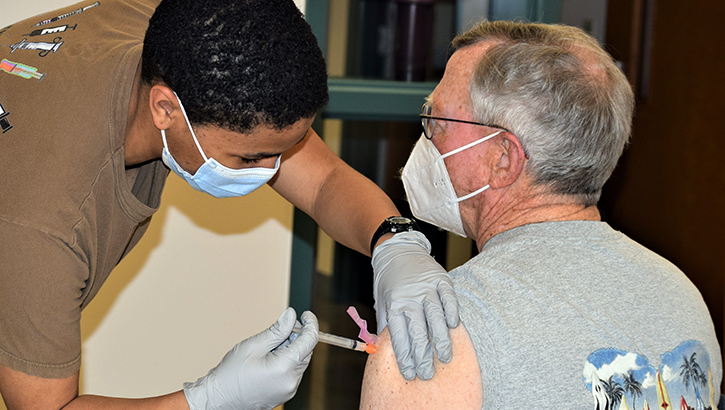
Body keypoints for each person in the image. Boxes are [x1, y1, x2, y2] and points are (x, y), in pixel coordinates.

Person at [0, 0, 460, 408]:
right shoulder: (42, 227)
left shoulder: (183, 34)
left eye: (285, 148)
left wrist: (395, 242)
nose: (271, 170)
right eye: (250, 158)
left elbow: (322, 183)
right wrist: (207, 400)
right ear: (165, 110)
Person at [360, 20, 722, 409]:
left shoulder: (435, 327)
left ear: (502, 158)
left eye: (437, 120)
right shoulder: (682, 297)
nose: (425, 135)